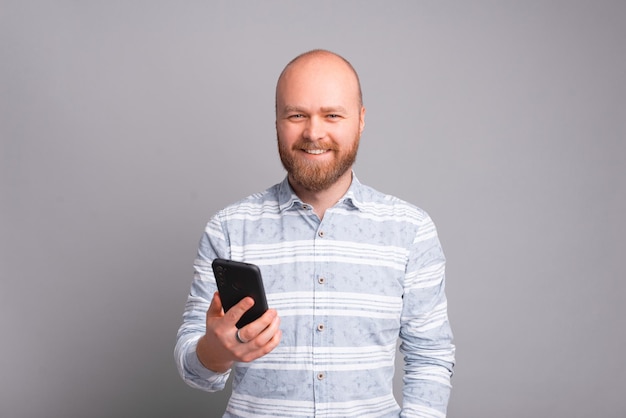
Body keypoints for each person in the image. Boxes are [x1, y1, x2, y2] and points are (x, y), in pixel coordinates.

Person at [175, 49, 455, 417]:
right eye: (296, 115)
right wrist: (216, 350)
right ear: (277, 121)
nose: (313, 132)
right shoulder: (228, 228)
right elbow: (194, 369)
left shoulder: (411, 231)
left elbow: (431, 357)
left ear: (361, 120)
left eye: (332, 115)